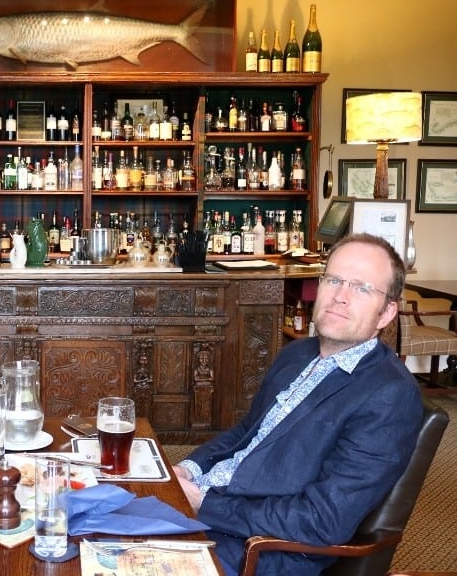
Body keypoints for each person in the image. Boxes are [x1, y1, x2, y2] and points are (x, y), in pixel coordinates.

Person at [173, 233, 423, 576]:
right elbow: (249, 431)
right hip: (209, 503)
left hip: (259, 548)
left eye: (362, 288)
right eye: (334, 280)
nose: (340, 297)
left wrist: (205, 504)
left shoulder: (390, 395)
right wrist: (188, 469)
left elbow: (323, 519)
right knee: (88, 519)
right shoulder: (298, 353)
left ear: (387, 312)